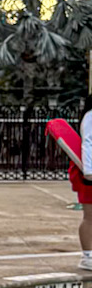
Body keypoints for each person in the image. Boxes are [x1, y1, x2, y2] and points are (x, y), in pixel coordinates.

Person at [47, 98, 92, 269]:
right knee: (90, 216)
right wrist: (89, 172)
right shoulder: (90, 116)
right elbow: (88, 143)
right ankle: (88, 257)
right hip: (88, 172)